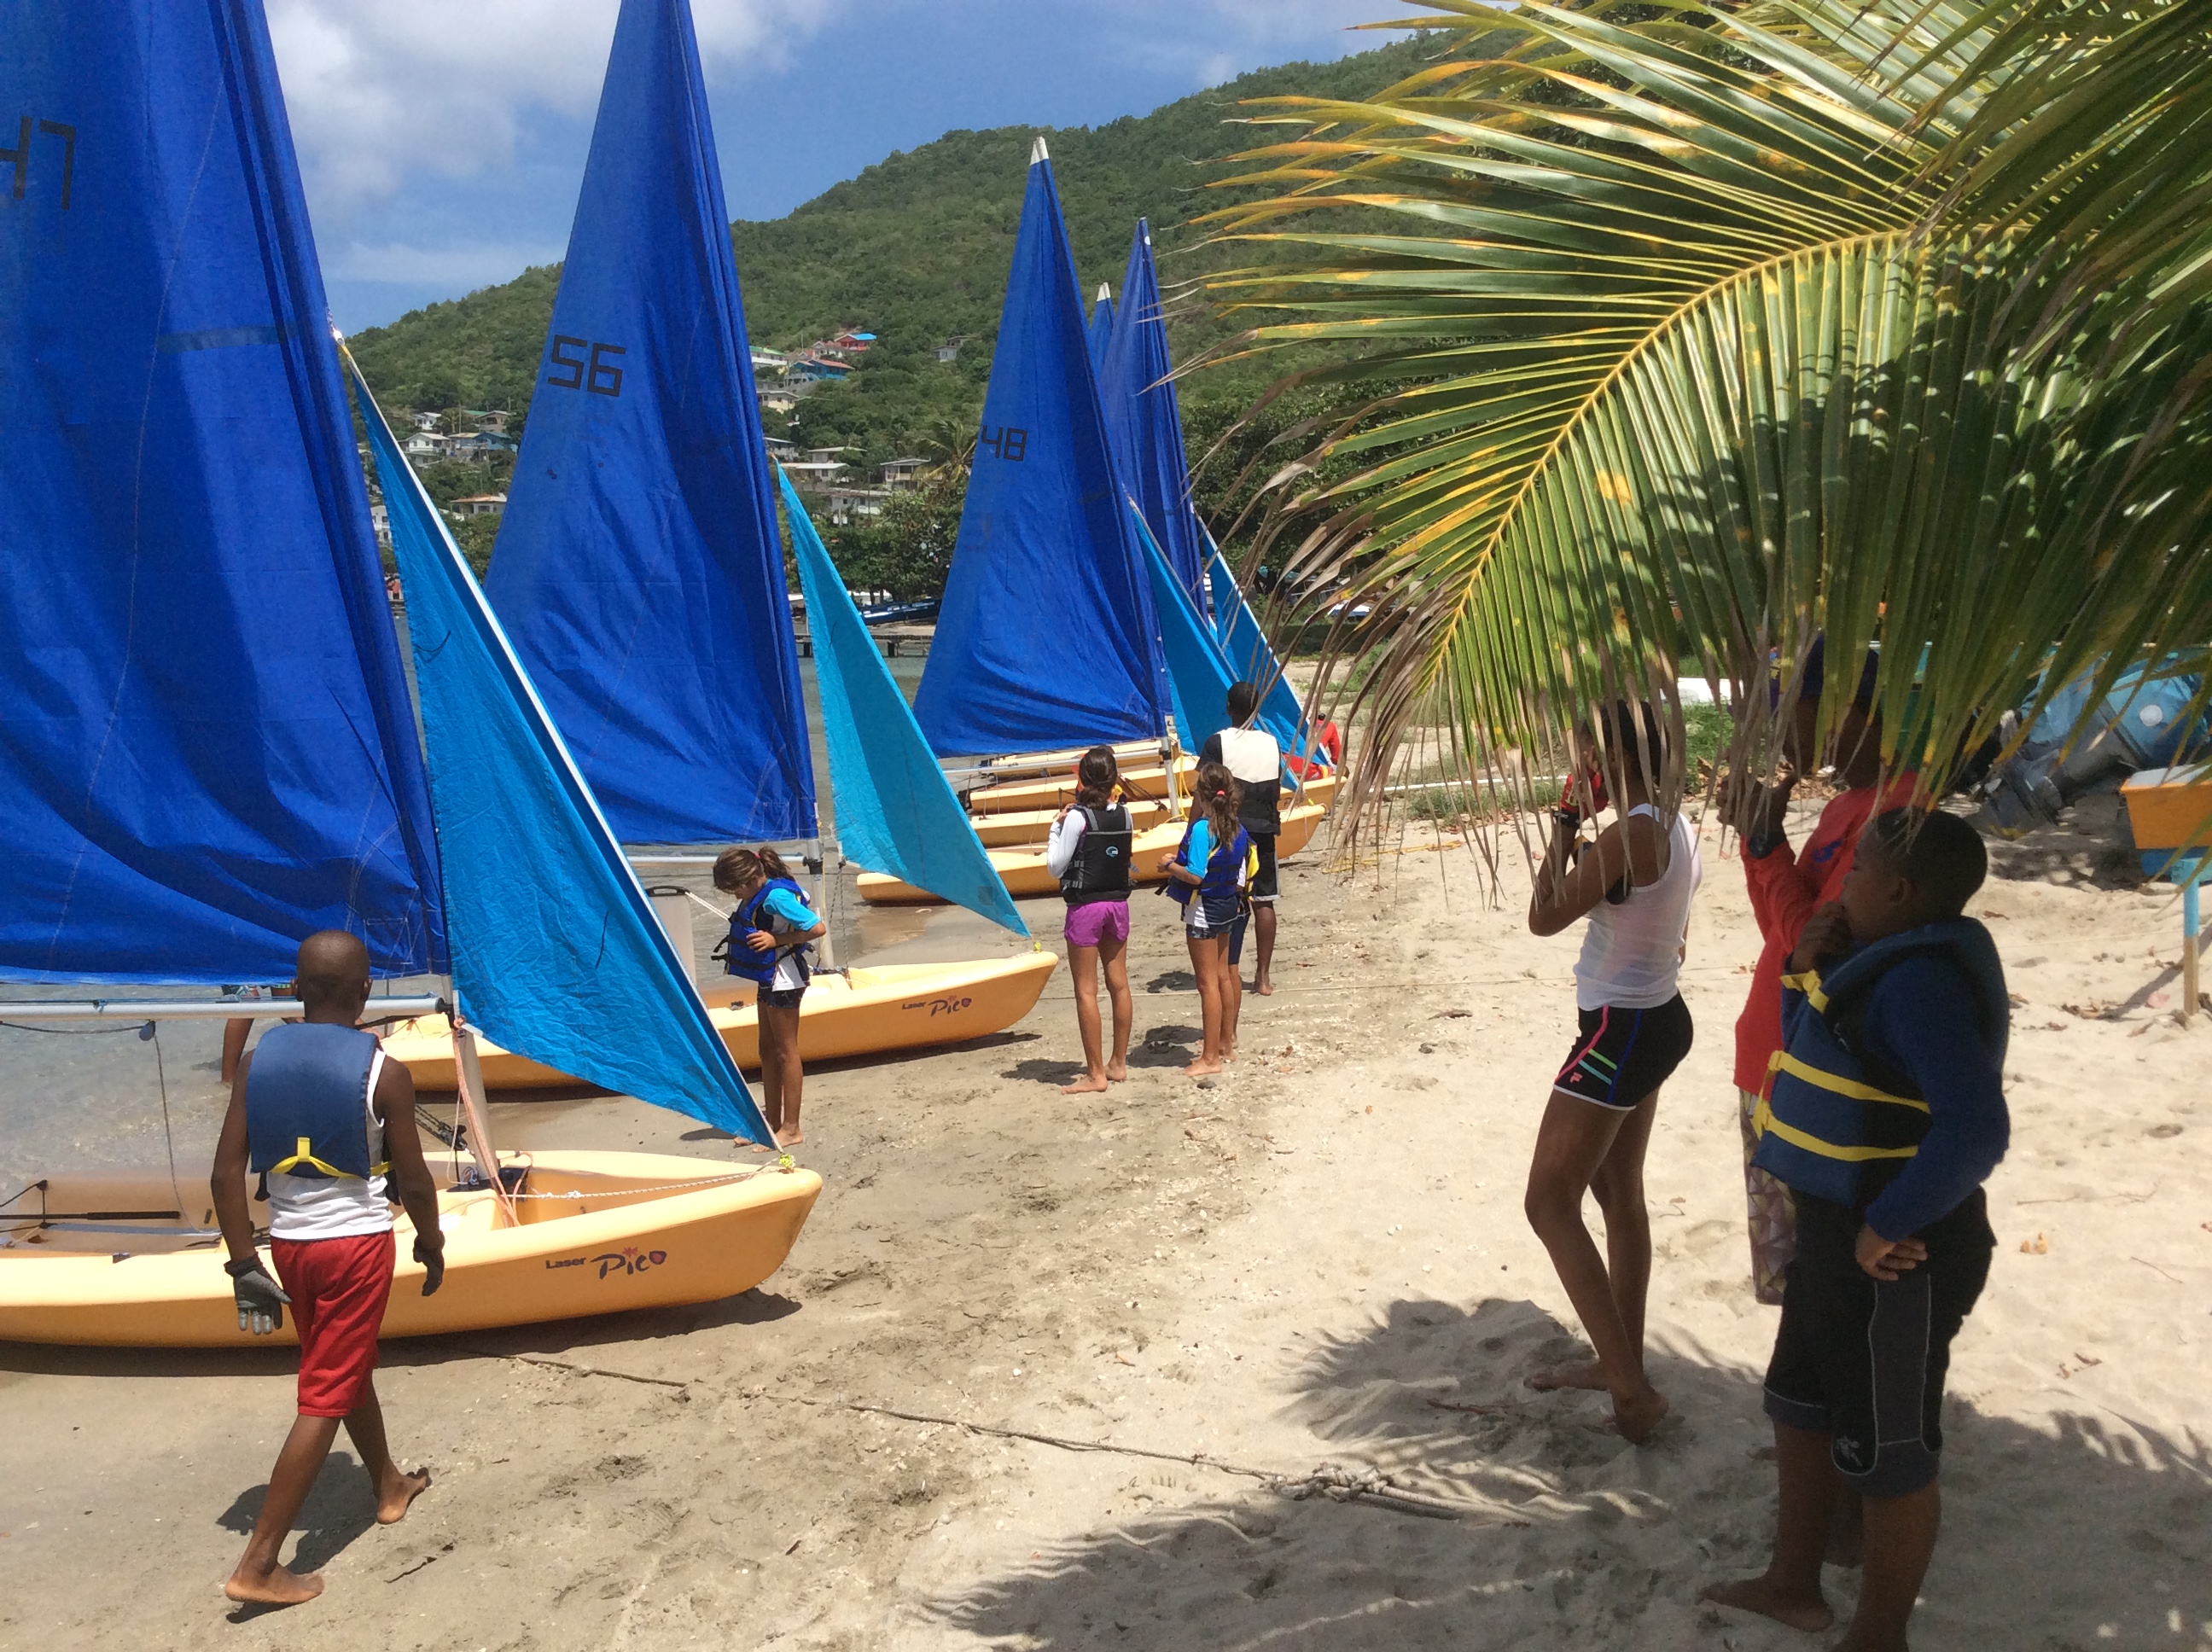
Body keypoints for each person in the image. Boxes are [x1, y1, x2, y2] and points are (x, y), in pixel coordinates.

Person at [1705, 809, 2008, 1652]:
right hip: (1832, 1229)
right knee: (1798, 1403)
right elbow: (1813, 1047)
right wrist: (1801, 965)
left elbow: (1976, 1130)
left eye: (1861, 872)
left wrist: (1888, 1222)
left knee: (1892, 1450)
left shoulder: (1922, 983)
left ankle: (1879, 1639)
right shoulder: (1868, 964)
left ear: (1904, 891)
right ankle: (1792, 1584)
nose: (1844, 886)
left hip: (1894, 1251)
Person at [210, 930, 444, 1607]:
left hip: (289, 1247)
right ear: (367, 991)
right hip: (356, 1248)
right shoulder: (385, 1071)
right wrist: (430, 1241)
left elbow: (228, 1171)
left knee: (341, 1364)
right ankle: (258, 1565)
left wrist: (242, 1262)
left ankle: (388, 1484)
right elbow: (417, 1180)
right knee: (324, 1392)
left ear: (294, 989)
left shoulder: (256, 1062)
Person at [1522, 700, 1701, 1443]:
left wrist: (1563, 827)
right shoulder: (1669, 821)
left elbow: (1543, 916)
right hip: (1656, 1016)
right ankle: (1620, 1360)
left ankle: (1631, 1391)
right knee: (1617, 1191)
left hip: (1619, 1031)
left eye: (1585, 754)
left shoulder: (1627, 833)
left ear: (1607, 758)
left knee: (1547, 1203)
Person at [1730, 642, 1917, 1305]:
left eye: (1789, 713)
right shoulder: (1848, 804)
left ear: (1839, 707)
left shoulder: (1897, 815)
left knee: (1825, 1297)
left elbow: (1820, 955)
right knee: (1798, 1295)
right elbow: (1788, 937)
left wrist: (1765, 844)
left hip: (1811, 1083)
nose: (1780, 733)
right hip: (1773, 1064)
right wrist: (1761, 847)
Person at [714, 846, 826, 1149]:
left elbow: (817, 928)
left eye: (735, 889)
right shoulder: (758, 894)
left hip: (786, 980)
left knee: (786, 1052)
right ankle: (773, 1122)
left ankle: (792, 1128)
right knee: (766, 1049)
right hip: (768, 979)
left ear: (751, 879)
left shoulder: (776, 897)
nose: (736, 896)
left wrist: (778, 939)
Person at [1046, 746, 1134, 1094]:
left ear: (1082, 780)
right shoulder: (1126, 815)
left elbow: (1055, 866)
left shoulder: (1077, 819)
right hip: (1118, 906)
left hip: (1086, 909)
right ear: (1113, 780)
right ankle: (1119, 1064)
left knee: (1086, 990)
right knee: (1119, 984)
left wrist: (1056, 828)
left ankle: (1096, 1074)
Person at [1202, 682, 1287, 995]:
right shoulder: (1271, 743)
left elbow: (1206, 790)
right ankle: (1263, 977)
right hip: (1264, 828)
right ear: (1256, 710)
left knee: (1230, 898)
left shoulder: (1218, 742)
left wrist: (1192, 828)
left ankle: (1228, 970)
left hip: (1231, 831)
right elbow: (1274, 787)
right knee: (1264, 901)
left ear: (1228, 708)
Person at [1167, 761, 1250, 1077]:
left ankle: (1210, 1058)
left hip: (1204, 909)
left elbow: (1195, 876)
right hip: (1229, 905)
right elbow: (1240, 876)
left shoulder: (1204, 829)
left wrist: (1168, 866)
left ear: (1202, 797)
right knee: (1224, 975)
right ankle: (1226, 1043)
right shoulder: (1237, 828)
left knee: (1207, 984)